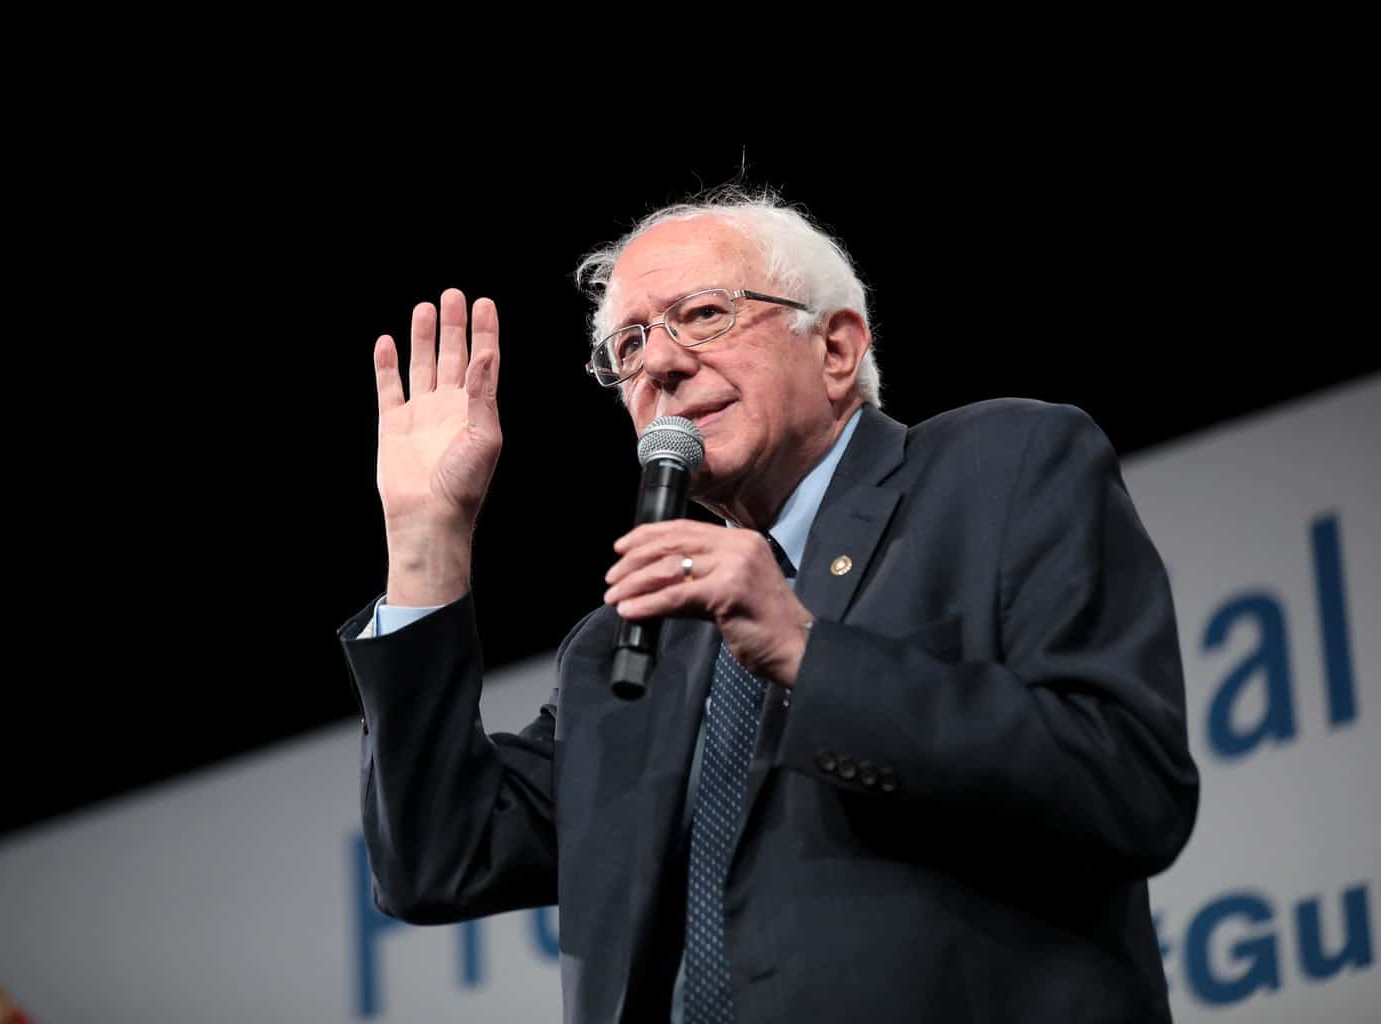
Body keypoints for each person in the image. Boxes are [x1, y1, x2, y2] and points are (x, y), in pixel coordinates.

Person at [338, 190, 1200, 1023]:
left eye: (704, 314)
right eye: (629, 347)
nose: (662, 363)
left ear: (835, 349)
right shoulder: (624, 644)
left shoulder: (1002, 471)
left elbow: (1128, 784)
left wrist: (804, 649)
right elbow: (438, 859)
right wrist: (427, 542)